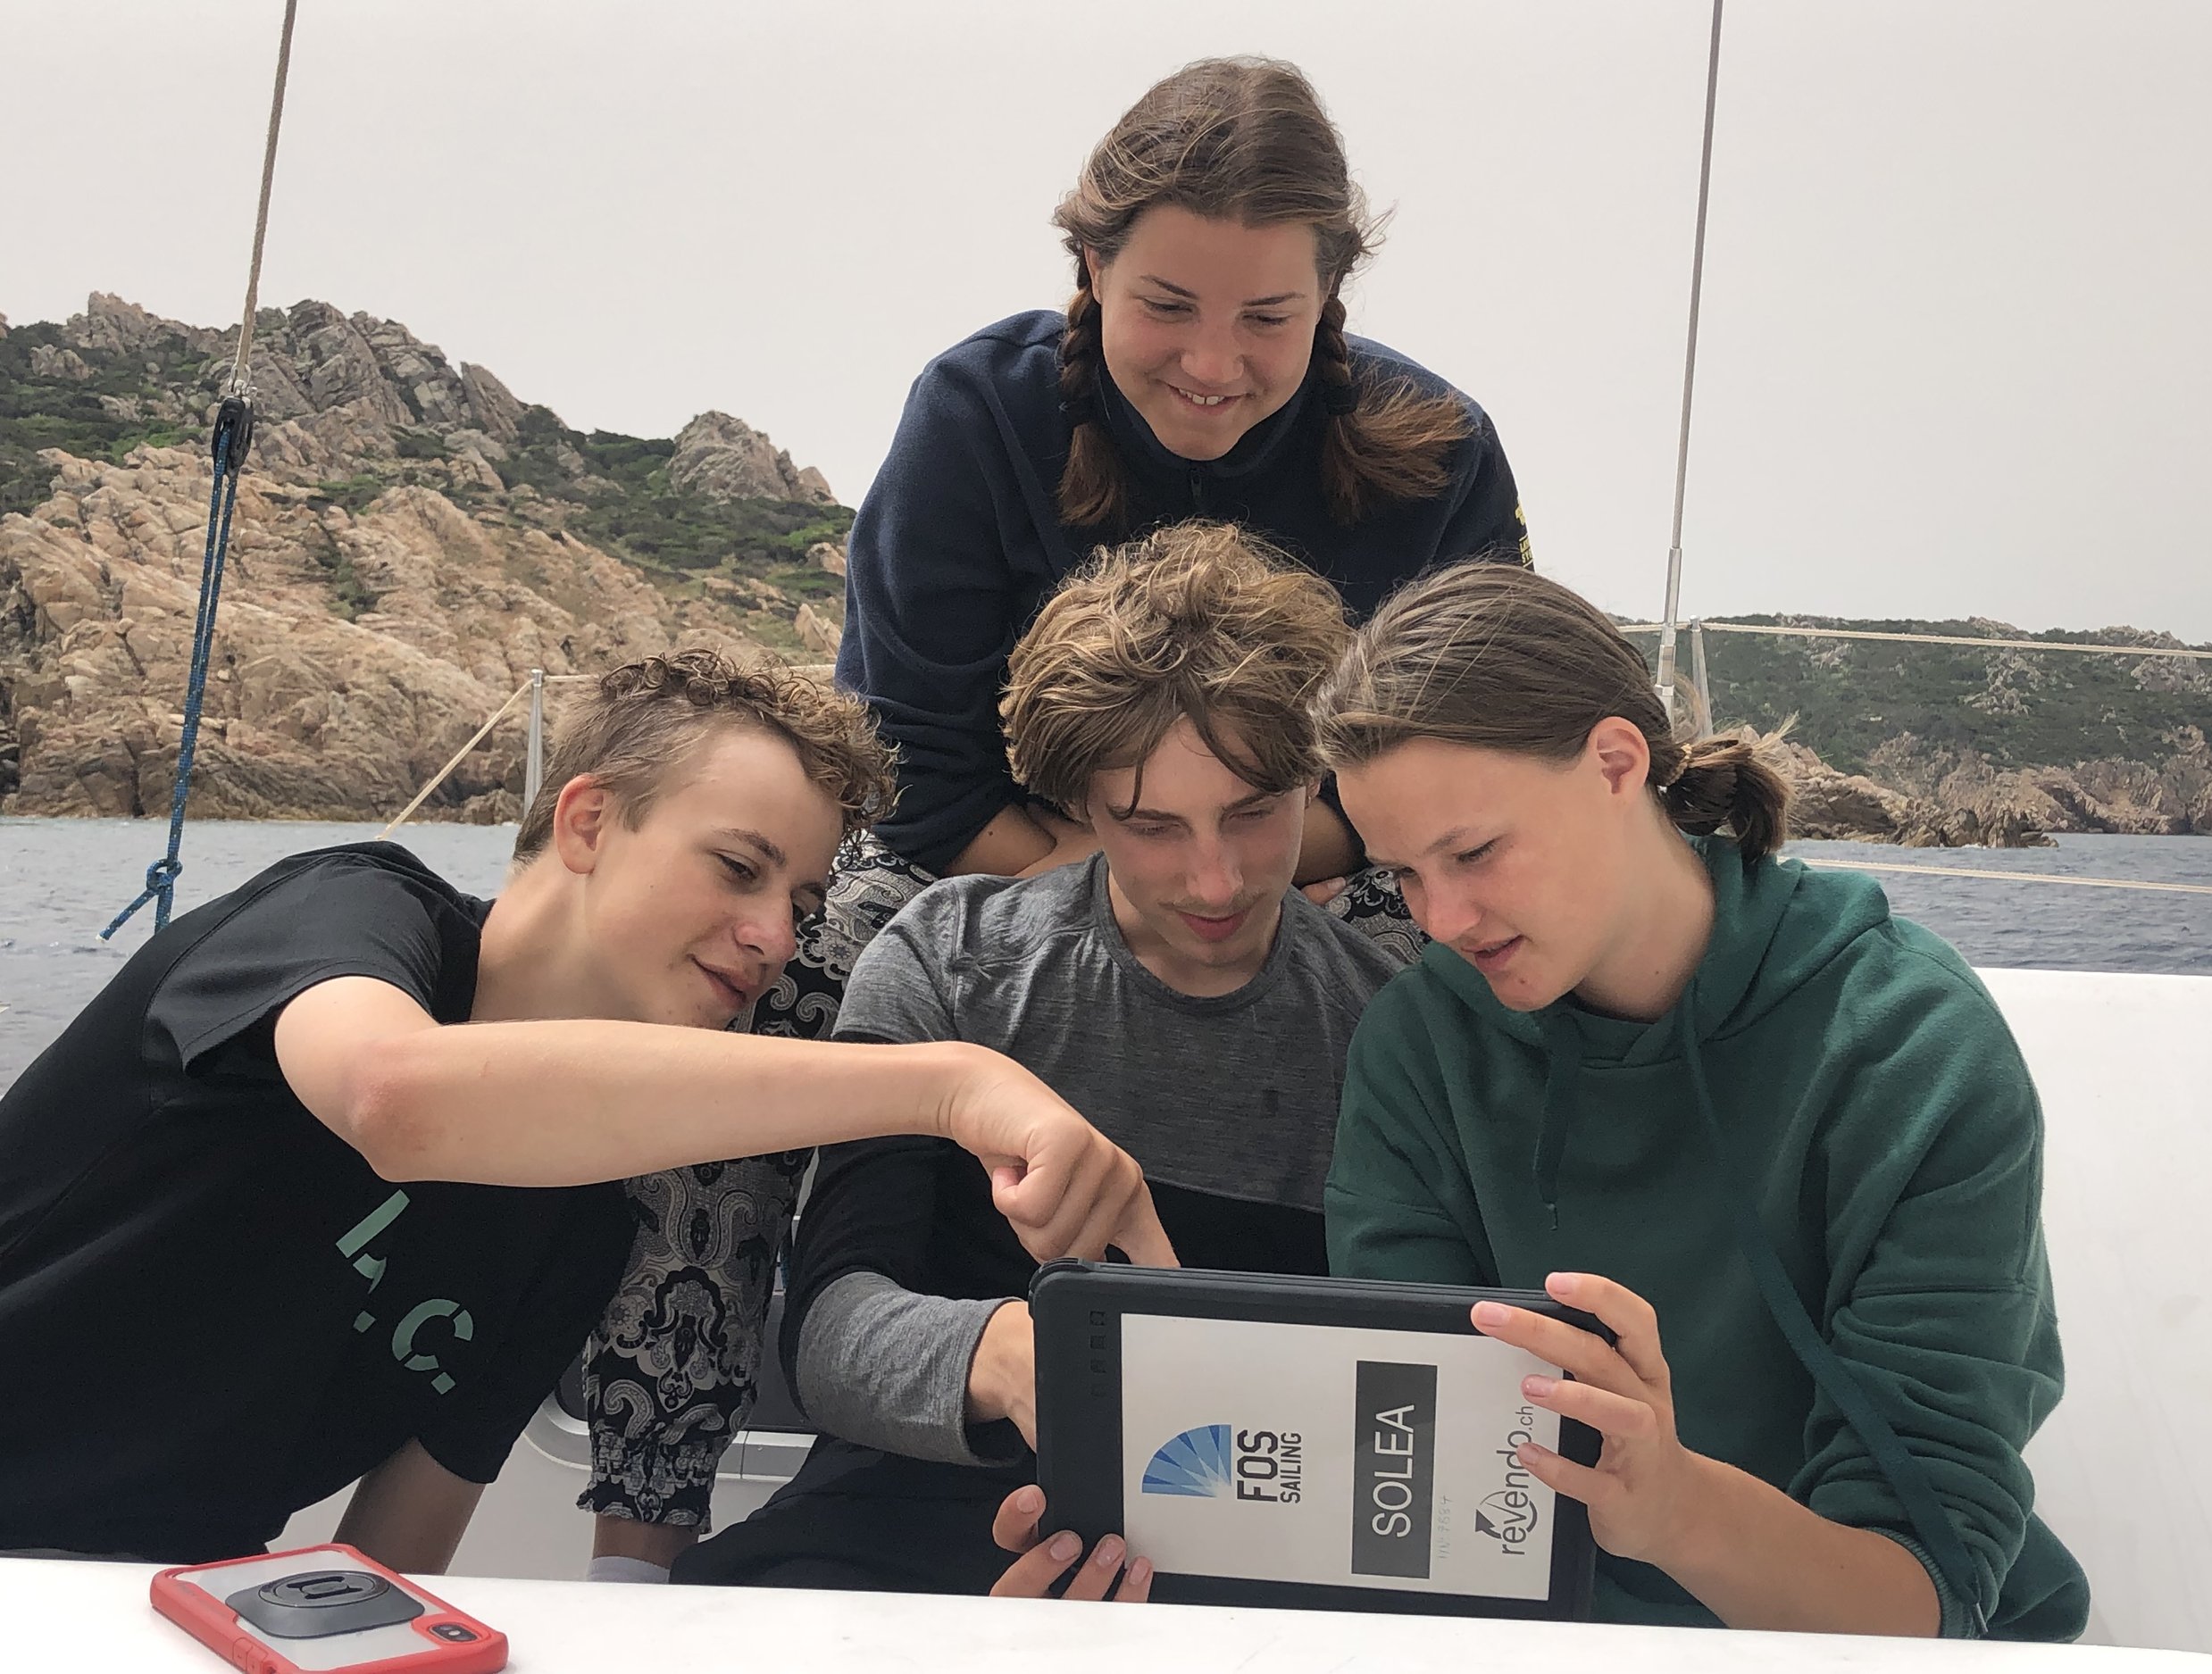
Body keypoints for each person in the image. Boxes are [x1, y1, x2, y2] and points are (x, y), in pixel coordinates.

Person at [583, 52, 1533, 1570]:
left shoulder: (1441, 450)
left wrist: (1227, 852)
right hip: (985, 846)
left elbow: (1466, 749)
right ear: (1089, 267)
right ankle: (643, 1534)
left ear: (1330, 297)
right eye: (1170, 304)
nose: (1214, 361)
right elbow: (922, 768)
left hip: (1323, 845)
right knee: (744, 1013)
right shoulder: (978, 413)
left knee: (1504, 996)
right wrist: (1122, 875)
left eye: (1268, 317)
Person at [0, 651, 1167, 1570]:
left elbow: (390, 1563)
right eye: (739, 867)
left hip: (149, 1603)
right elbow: (394, 1098)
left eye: (804, 902)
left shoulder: (578, 1222)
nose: (775, 936)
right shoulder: (347, 915)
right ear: (589, 822)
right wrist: (945, 1085)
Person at [1305, 563, 2089, 1637]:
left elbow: (1925, 1602)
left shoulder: (1909, 1047)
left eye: (1474, 852)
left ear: (1615, 763)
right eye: (1400, 874)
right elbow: (1419, 1485)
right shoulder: (1418, 1045)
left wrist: (1674, 1509)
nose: (1438, 919)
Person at [669, 524, 1403, 1595]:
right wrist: (1011, 1357)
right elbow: (827, 1334)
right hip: (909, 1517)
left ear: (1316, 783)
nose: (1214, 879)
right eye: (1151, 826)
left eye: (1253, 813)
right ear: (1078, 807)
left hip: (1258, 1549)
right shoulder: (944, 959)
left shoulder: (1389, 1028)